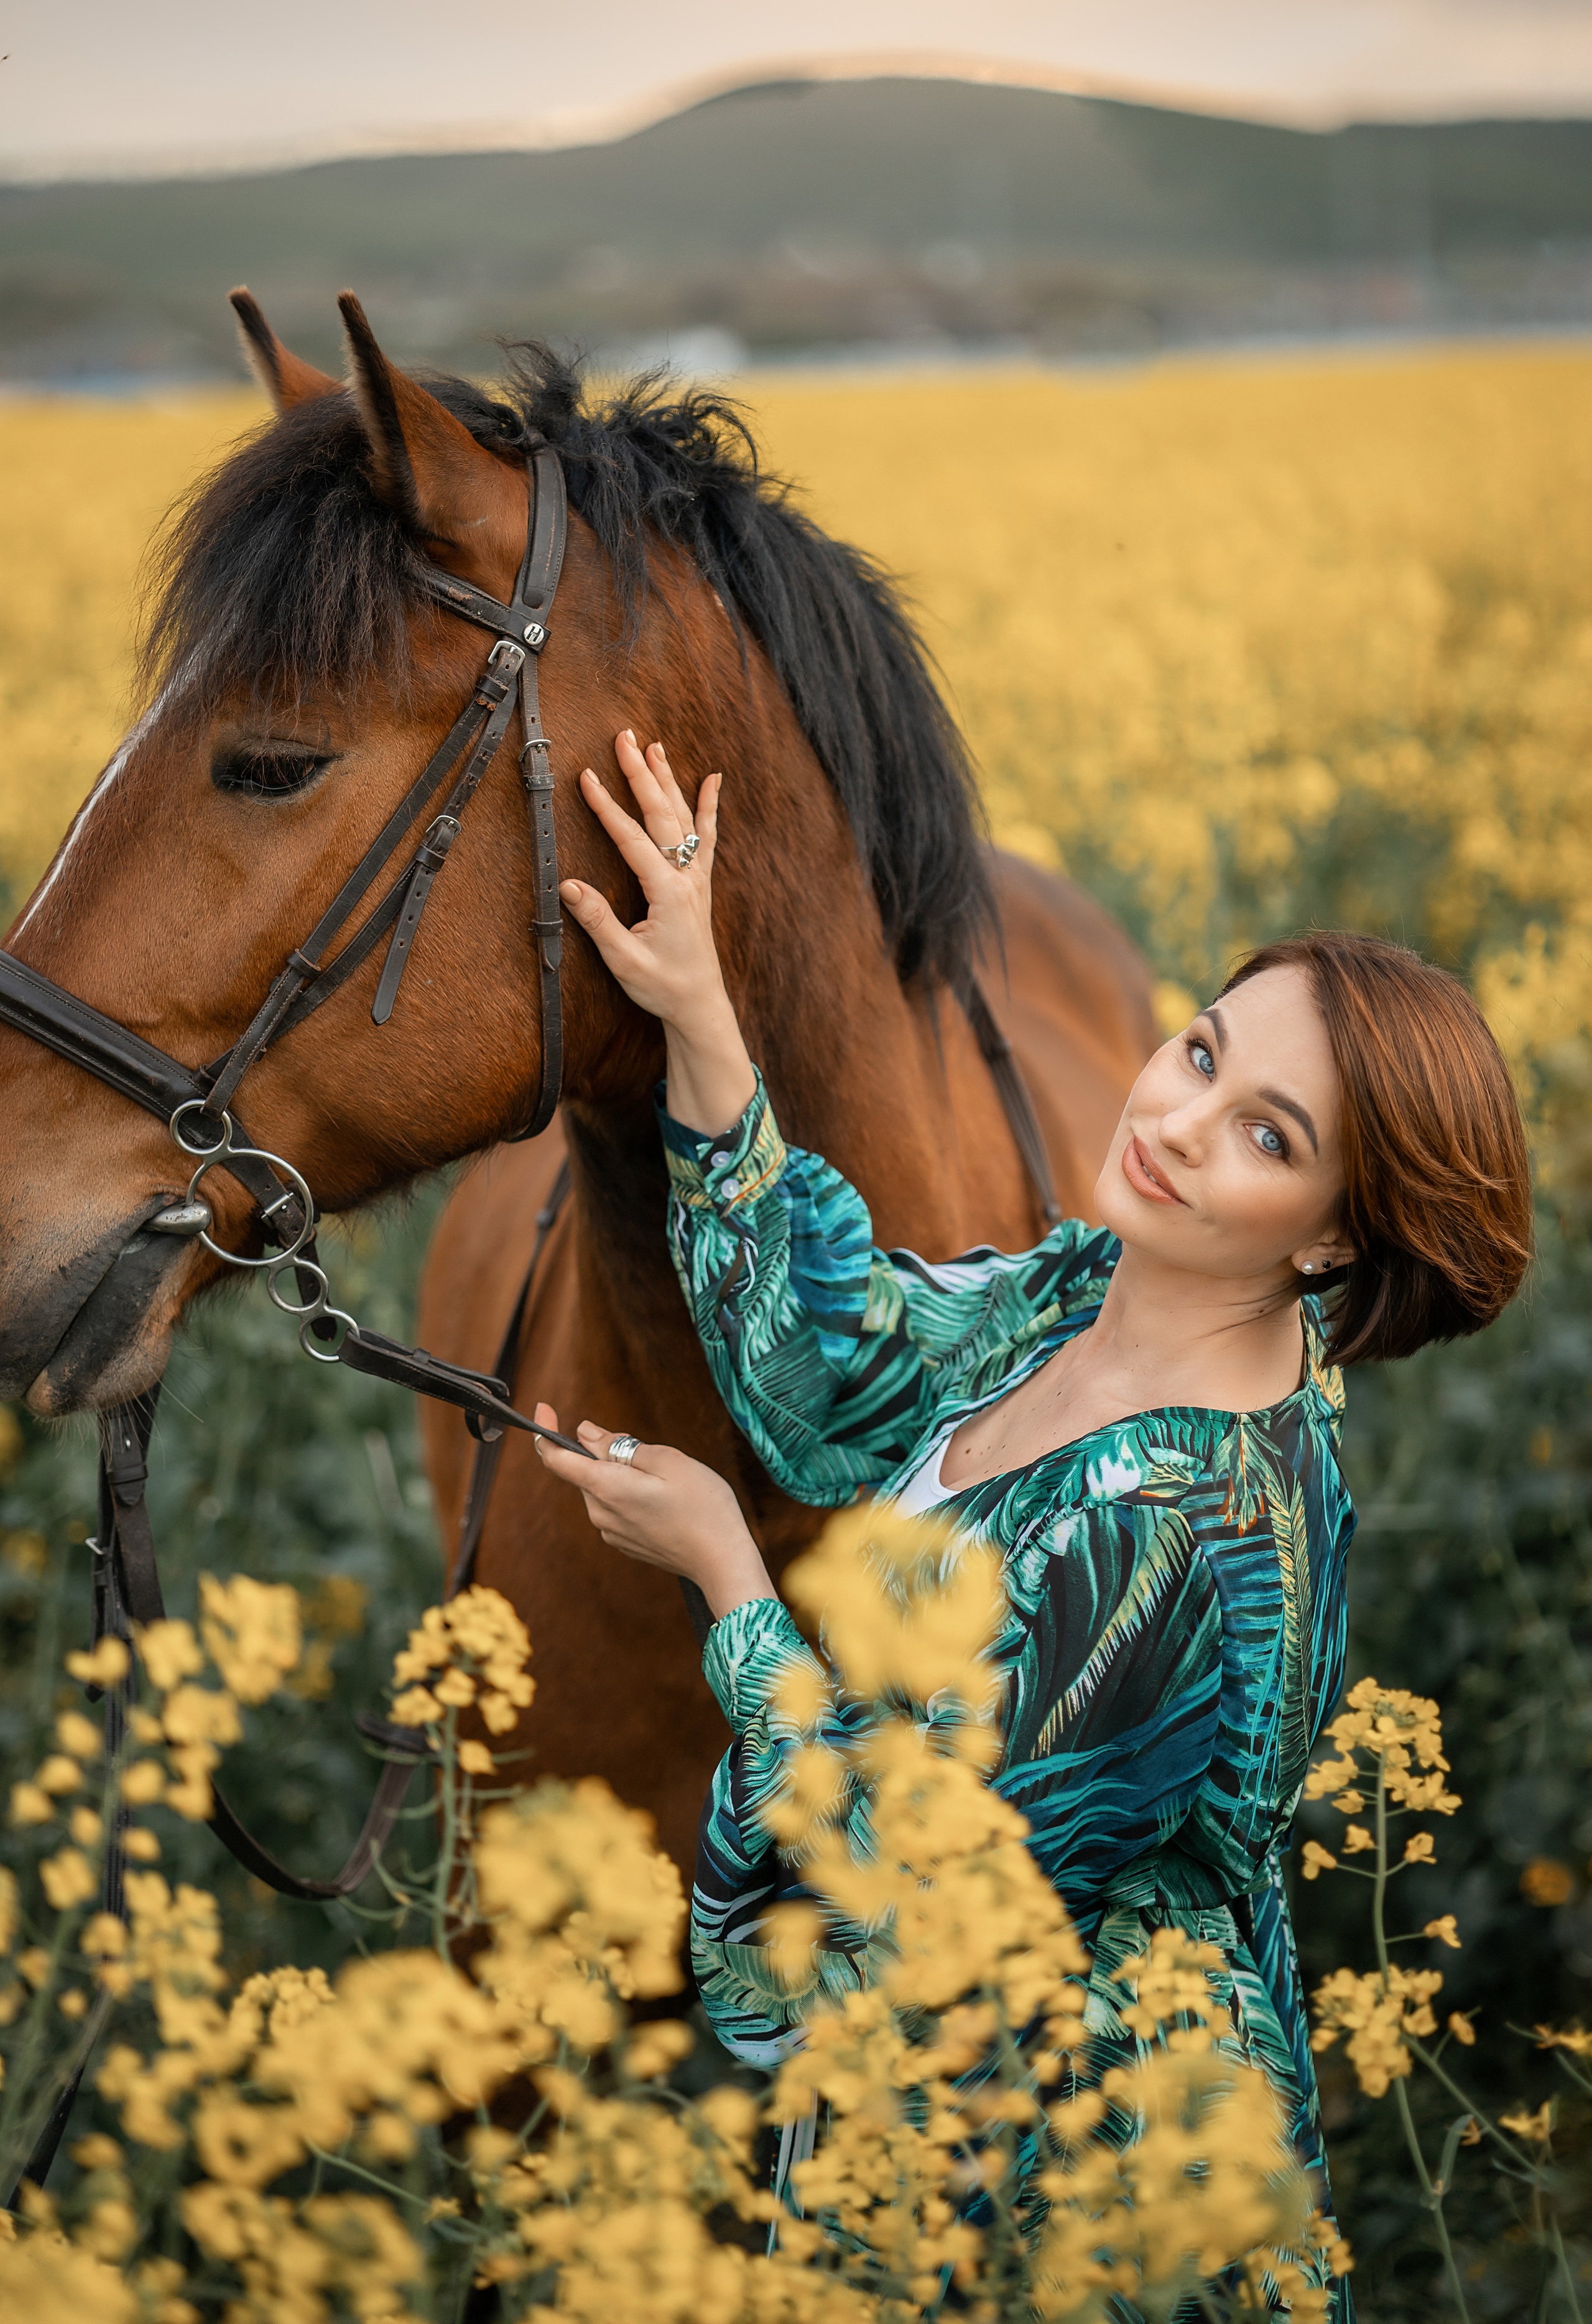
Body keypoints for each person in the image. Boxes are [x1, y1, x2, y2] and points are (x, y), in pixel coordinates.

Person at [532, 728, 1533, 2287]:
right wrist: (700, 1011)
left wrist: (728, 1577)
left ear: (1335, 1244)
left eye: (1267, 1135)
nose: (1178, 1120)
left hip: (1055, 2196)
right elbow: (834, 1360)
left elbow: (892, 1883)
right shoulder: (1082, 1296)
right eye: (1199, 1053)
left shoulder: (1189, 1523)